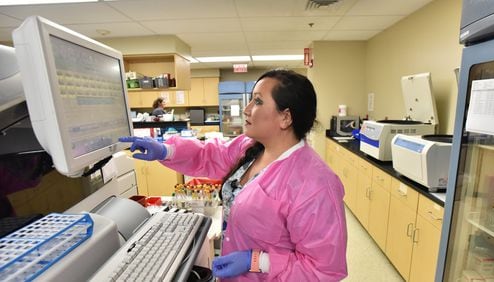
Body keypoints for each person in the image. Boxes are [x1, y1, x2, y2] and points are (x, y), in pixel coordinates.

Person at [119, 69, 348, 281]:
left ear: (285, 117)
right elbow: (210, 156)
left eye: (258, 101)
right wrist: (166, 149)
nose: (247, 109)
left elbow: (323, 269)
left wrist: (257, 261)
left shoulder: (315, 184)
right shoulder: (251, 147)